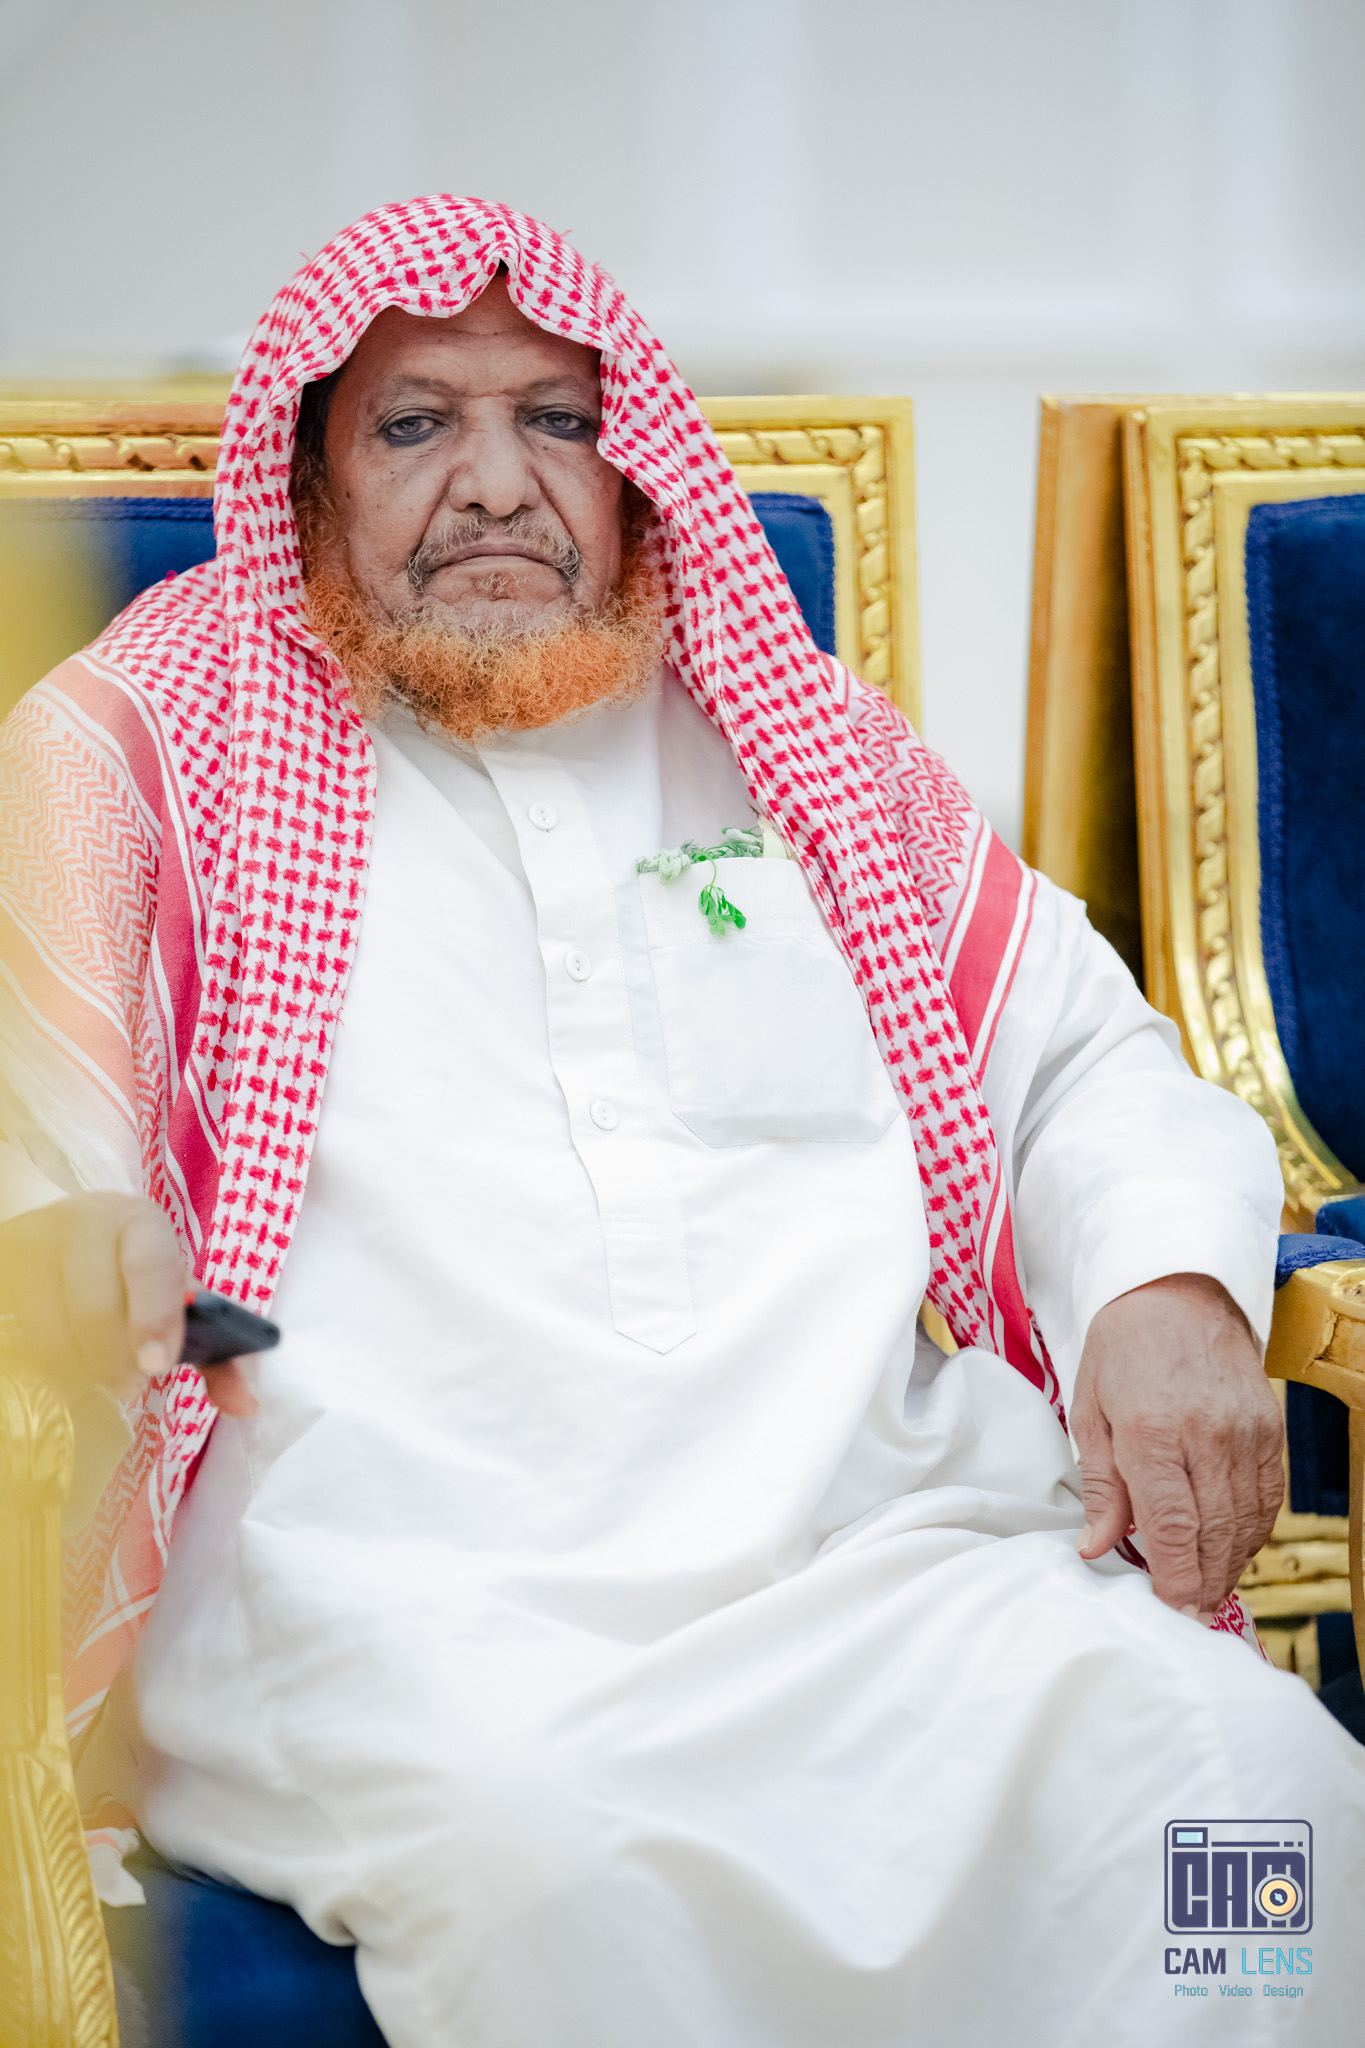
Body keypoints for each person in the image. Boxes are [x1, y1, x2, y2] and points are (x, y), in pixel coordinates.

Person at [0, 197, 1360, 2046]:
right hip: (404, 1616)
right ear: (311, 480)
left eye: (555, 420)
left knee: (1258, 1798)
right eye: (416, 425)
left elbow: (1074, 1065)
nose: (496, 483)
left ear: (633, 460)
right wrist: (71, 1247)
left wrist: (1164, 1288)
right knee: (568, 1875)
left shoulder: (801, 749)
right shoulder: (146, 753)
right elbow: (32, 1144)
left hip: (889, 1561)